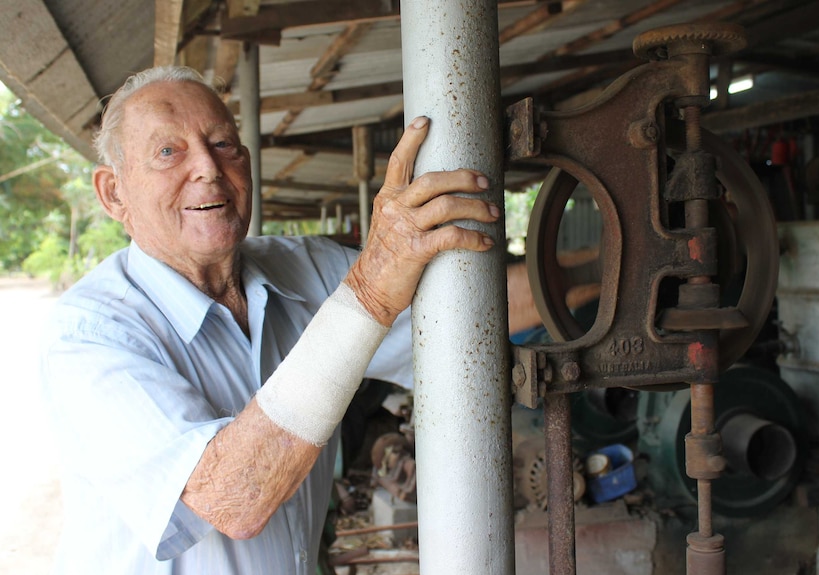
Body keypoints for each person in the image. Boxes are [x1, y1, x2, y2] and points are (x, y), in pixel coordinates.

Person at [39, 65, 502, 574]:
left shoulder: (301, 268)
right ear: (113, 194)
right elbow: (230, 498)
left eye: (223, 143)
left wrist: (591, 269)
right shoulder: (90, 334)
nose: (208, 169)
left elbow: (463, 305)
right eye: (168, 152)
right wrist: (369, 290)